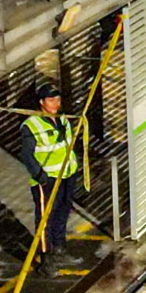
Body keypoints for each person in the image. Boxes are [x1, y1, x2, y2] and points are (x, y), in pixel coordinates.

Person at [22, 92, 89, 242]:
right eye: (51, 100)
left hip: (67, 174)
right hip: (48, 180)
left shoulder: (63, 119)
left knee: (63, 212)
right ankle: (47, 257)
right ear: (41, 101)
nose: (56, 104)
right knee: (46, 218)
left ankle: (59, 246)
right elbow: (26, 155)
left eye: (58, 99)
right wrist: (42, 178)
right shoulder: (32, 125)